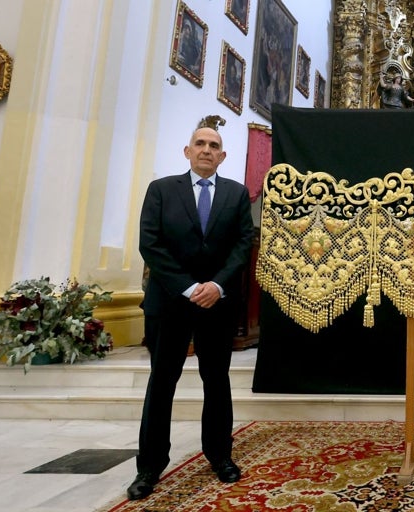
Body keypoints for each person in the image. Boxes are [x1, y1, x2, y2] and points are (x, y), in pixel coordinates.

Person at [128, 122, 254, 500]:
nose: (206, 150)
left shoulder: (236, 194)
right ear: (187, 151)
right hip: (170, 303)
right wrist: (187, 287)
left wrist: (216, 285)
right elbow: (150, 244)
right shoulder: (162, 190)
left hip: (217, 304)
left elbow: (244, 243)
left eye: (213, 145)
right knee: (162, 382)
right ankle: (149, 467)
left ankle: (220, 456)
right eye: (199, 143)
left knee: (217, 382)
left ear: (222, 156)